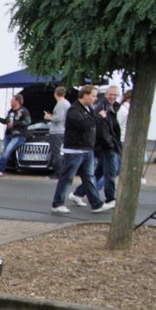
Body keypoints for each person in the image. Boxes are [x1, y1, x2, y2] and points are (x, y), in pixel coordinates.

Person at [50, 85, 109, 214]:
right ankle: (57, 203)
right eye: (93, 96)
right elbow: (85, 124)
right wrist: (98, 117)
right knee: (67, 177)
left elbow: (91, 124)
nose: (95, 99)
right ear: (85, 95)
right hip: (75, 150)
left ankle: (96, 204)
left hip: (87, 149)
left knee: (89, 177)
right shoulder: (74, 110)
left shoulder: (88, 109)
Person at [72, 84, 120, 204]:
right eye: (110, 94)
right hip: (106, 146)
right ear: (106, 94)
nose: (112, 97)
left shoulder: (114, 107)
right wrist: (110, 144)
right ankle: (110, 198)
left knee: (99, 173)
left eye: (115, 95)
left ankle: (78, 193)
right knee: (111, 173)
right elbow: (101, 129)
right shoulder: (102, 107)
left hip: (107, 144)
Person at [0, 94, 31, 176]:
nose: (10, 102)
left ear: (17, 101)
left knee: (7, 151)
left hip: (18, 135)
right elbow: (6, 121)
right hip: (8, 135)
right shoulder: (10, 111)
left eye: (12, 100)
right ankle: (0, 169)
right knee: (4, 152)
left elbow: (27, 122)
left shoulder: (23, 111)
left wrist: (14, 124)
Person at [43, 86, 70, 177]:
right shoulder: (67, 103)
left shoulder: (60, 104)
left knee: (56, 153)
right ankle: (60, 172)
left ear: (55, 94)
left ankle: (58, 173)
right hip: (63, 130)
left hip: (57, 131)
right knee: (59, 152)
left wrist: (48, 117)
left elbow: (58, 118)